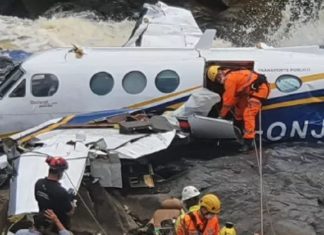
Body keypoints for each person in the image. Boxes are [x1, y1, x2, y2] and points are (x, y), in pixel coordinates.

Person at [207, 65, 270, 152]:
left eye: (218, 77)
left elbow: (228, 101)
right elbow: (234, 97)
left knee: (248, 114)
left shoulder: (229, 79)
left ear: (220, 72)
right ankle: (238, 128)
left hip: (259, 90)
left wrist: (221, 116)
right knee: (239, 110)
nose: (219, 80)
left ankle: (248, 142)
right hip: (247, 92)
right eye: (217, 80)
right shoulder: (232, 75)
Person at [34, 156, 75, 229]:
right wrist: (72, 202)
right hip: (58, 226)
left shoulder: (39, 183)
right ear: (60, 173)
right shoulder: (61, 192)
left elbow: (38, 199)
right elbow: (70, 212)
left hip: (42, 222)